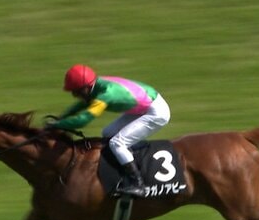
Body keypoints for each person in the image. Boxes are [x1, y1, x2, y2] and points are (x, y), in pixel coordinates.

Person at [48, 64, 171, 198]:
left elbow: (83, 120)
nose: (74, 95)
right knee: (107, 133)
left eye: (76, 91)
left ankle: (138, 184)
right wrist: (62, 117)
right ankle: (127, 162)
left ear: (86, 87)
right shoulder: (95, 84)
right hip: (141, 108)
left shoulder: (106, 95)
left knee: (117, 143)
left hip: (155, 112)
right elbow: (84, 103)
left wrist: (58, 124)